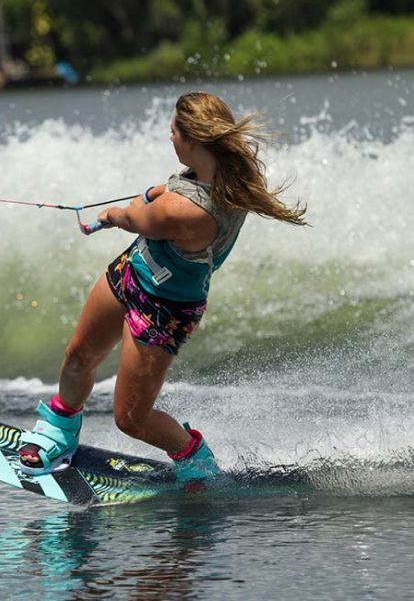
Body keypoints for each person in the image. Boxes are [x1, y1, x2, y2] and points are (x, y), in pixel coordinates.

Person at [19, 91, 307, 482]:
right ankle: (60, 429)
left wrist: (111, 214)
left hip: (165, 309)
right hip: (131, 271)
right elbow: (167, 191)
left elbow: (134, 218)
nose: (169, 137)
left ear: (193, 139)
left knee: (131, 418)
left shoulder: (188, 211)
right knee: (79, 355)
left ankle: (196, 460)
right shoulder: (222, 172)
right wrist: (153, 193)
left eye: (174, 131)